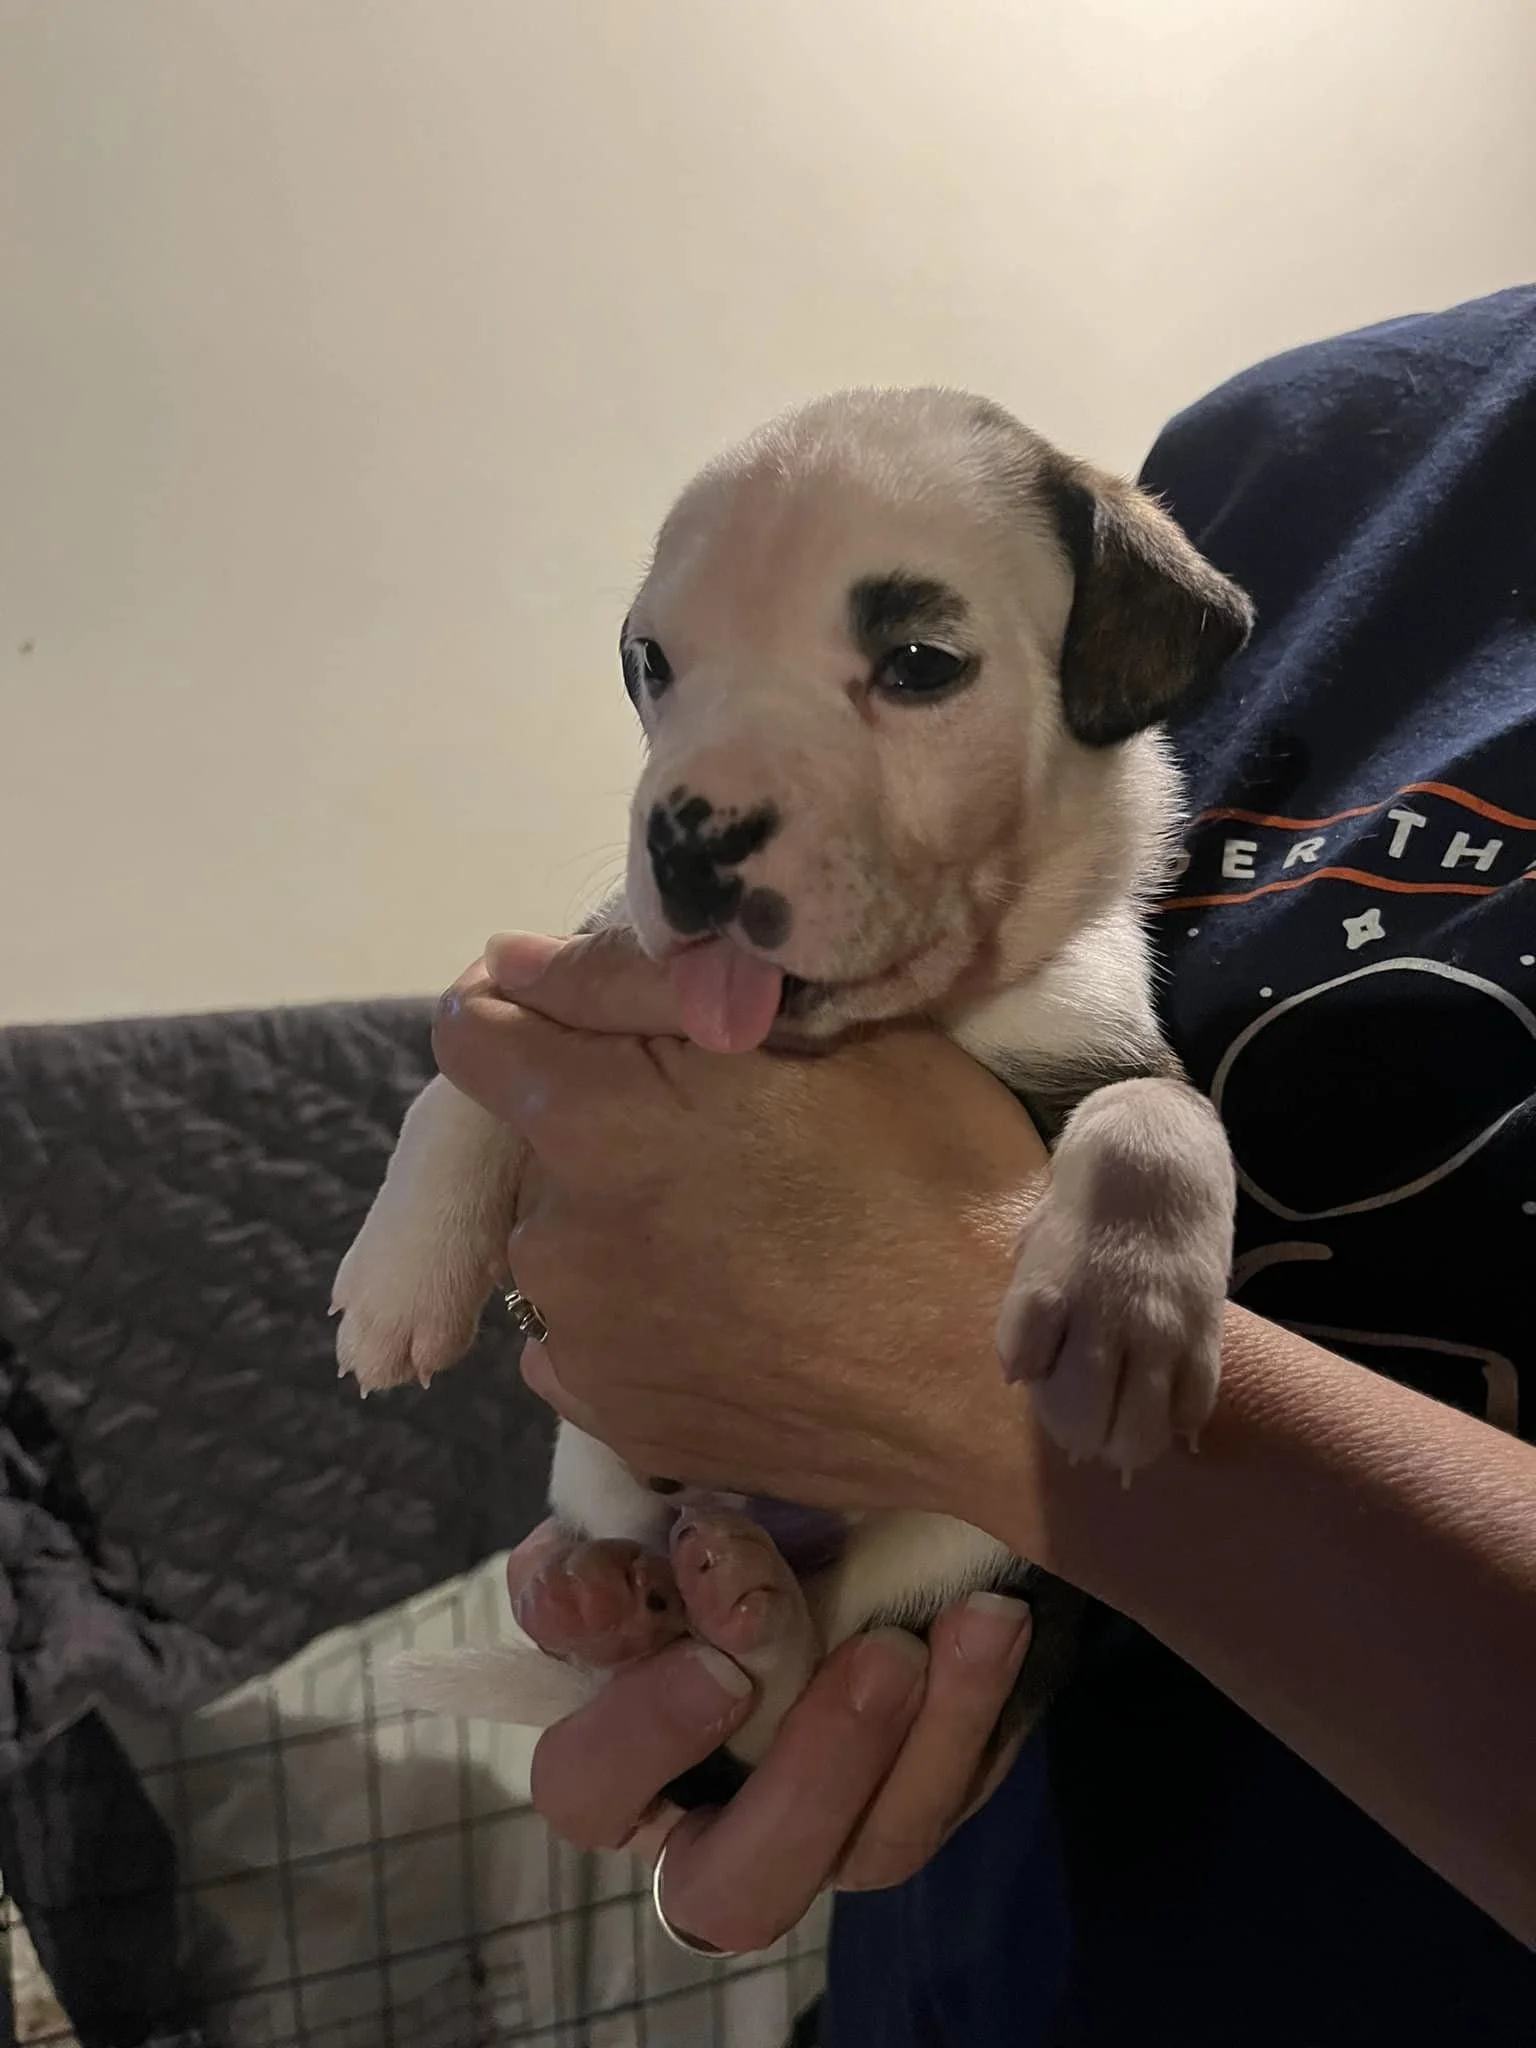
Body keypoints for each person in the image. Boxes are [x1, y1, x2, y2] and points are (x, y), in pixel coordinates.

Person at [433, 287, 1536, 2045]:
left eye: (916, 670)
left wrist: (940, 1378)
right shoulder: (1294, 450)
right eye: (660, 671)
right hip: (985, 1954)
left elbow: (1034, 1186)